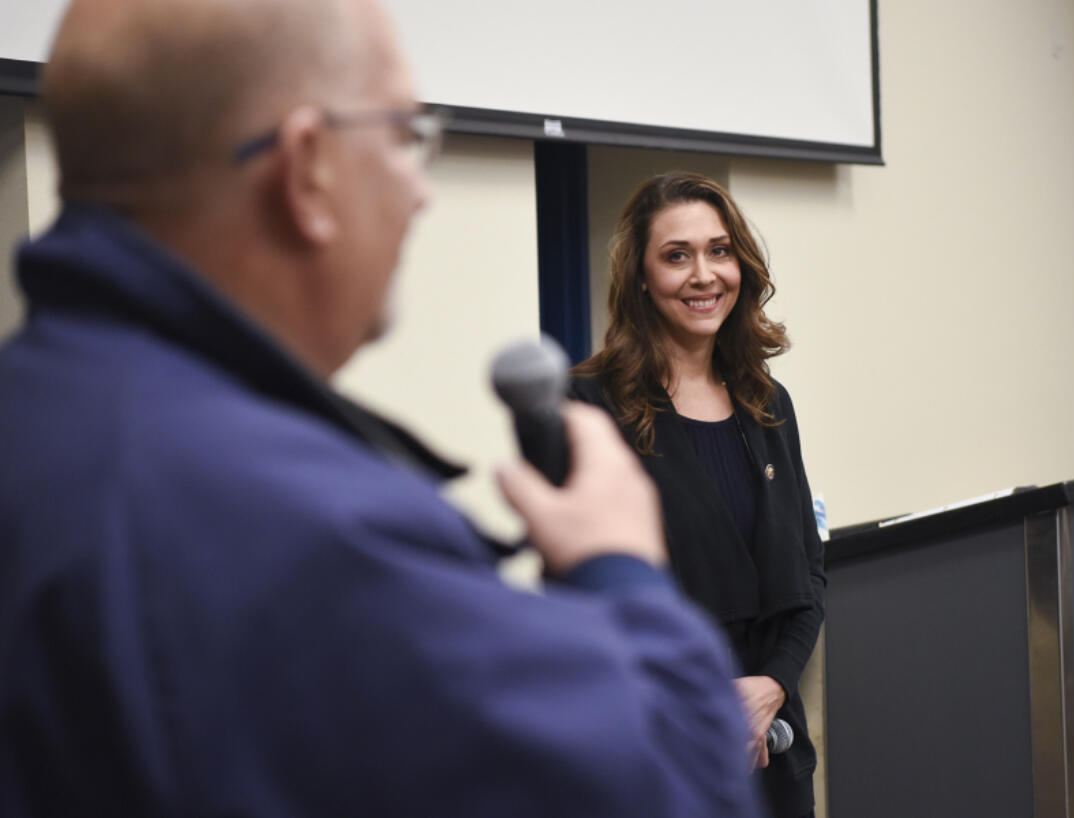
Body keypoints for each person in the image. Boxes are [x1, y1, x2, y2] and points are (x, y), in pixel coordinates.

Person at [0, 2, 765, 816]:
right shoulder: (316, 534)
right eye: (404, 137)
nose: (420, 194)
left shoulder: (35, 414)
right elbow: (675, 788)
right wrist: (621, 567)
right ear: (306, 171)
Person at [571, 171, 827, 818]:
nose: (704, 275)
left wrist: (771, 685)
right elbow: (588, 595)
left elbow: (806, 572)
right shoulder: (589, 405)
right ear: (640, 278)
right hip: (656, 742)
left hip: (771, 742)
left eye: (719, 251)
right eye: (676, 256)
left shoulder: (768, 404)